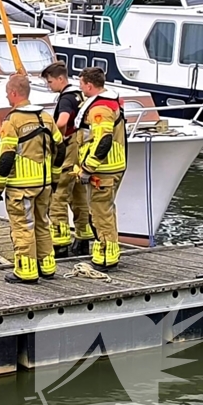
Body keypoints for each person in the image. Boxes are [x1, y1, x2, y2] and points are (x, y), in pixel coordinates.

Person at [0, 73, 64, 284]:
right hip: (44, 184)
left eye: (7, 93)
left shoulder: (12, 121)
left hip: (21, 187)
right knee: (42, 224)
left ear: (14, 93)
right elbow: (60, 148)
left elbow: (6, 156)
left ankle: (26, 271)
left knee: (23, 227)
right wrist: (54, 177)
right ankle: (47, 266)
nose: (6, 97)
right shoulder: (46, 117)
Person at [75, 66, 127, 270]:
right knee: (106, 210)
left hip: (103, 170)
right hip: (112, 166)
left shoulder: (100, 109)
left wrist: (88, 167)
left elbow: (103, 140)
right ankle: (108, 252)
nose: (80, 88)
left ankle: (106, 257)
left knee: (100, 213)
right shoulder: (110, 102)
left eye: (81, 84)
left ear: (89, 85)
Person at [41, 61, 94, 257]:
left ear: (60, 79)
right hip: (81, 150)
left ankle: (60, 242)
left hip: (69, 149)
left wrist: (56, 138)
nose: (49, 86)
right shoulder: (79, 95)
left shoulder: (65, 98)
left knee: (58, 194)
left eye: (50, 81)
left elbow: (63, 121)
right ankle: (83, 238)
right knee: (79, 195)